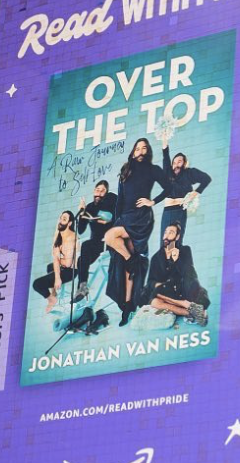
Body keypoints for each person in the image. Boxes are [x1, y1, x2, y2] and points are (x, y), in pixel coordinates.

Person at [104, 138, 169, 326]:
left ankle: (131, 262)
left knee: (117, 245)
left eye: (144, 148)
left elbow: (169, 186)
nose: (140, 151)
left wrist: (153, 201)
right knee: (125, 263)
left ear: (147, 152)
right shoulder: (125, 171)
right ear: (133, 152)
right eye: (137, 148)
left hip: (141, 218)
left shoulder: (153, 169)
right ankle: (127, 307)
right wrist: (117, 221)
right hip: (125, 217)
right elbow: (120, 201)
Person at [138, 223, 210, 325]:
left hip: (184, 288)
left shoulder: (185, 250)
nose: (166, 236)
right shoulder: (156, 258)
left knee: (158, 294)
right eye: (165, 233)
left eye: (171, 233)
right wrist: (156, 284)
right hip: (166, 291)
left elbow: (189, 274)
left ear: (177, 237)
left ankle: (187, 305)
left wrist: (177, 260)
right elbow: (151, 280)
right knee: (154, 301)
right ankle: (189, 311)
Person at [152, 145, 212, 249]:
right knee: (164, 241)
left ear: (184, 163)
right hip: (167, 211)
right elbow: (165, 154)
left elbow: (206, 179)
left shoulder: (189, 173)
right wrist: (164, 138)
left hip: (180, 210)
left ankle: (176, 263)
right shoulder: (168, 172)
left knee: (177, 241)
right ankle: (164, 264)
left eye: (179, 161)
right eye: (174, 162)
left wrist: (196, 192)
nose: (176, 164)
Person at [72, 181, 117, 302]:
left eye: (102, 191)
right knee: (81, 259)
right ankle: (82, 287)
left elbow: (115, 205)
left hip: (110, 242)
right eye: (97, 190)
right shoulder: (90, 207)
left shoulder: (111, 201)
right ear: (93, 191)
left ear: (106, 193)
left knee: (86, 245)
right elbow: (81, 230)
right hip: (97, 244)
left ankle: (82, 288)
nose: (99, 193)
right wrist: (82, 212)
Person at [32, 210, 77, 312]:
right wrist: (57, 259)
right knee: (50, 266)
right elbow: (56, 251)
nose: (60, 221)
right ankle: (54, 292)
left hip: (71, 271)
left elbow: (68, 263)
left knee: (37, 284)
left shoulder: (70, 240)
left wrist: (57, 278)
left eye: (64, 219)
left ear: (69, 223)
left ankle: (52, 300)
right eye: (60, 218)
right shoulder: (62, 233)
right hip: (64, 266)